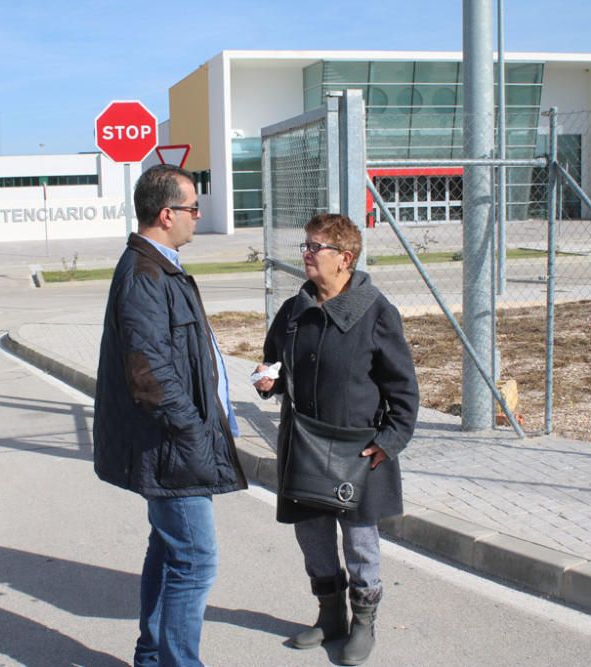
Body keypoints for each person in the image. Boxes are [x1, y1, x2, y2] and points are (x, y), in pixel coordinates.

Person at [94, 164, 248, 667]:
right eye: (192, 209)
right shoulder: (144, 274)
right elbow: (150, 375)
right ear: (166, 214)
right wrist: (194, 430)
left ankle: (151, 655)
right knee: (195, 561)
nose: (197, 218)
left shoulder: (158, 265)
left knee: (168, 549)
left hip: (175, 443)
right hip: (172, 446)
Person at [252, 213, 419, 666]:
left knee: (360, 540)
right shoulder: (294, 310)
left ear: (344, 259)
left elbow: (403, 388)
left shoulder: (376, 312)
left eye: (316, 247)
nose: (306, 253)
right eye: (305, 245)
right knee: (313, 536)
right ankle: (330, 616)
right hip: (303, 446)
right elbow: (274, 362)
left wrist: (389, 442)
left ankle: (363, 623)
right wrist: (268, 379)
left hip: (357, 450)